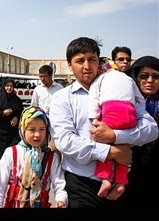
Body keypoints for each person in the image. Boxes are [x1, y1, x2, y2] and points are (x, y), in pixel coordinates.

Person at [49, 37, 158, 208]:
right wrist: (110, 152)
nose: (87, 65)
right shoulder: (61, 98)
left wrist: (116, 135)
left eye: (92, 59)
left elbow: (151, 129)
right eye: (80, 60)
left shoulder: (117, 91)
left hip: (121, 183)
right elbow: (65, 141)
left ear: (98, 62)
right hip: (82, 185)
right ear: (69, 65)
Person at [88, 57, 145, 198]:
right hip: (130, 114)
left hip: (112, 112)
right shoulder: (127, 78)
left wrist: (94, 119)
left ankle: (106, 179)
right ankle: (120, 182)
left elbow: (93, 99)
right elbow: (141, 99)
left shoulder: (100, 79)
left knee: (104, 144)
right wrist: (138, 116)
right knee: (123, 148)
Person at [0, 106, 68, 208]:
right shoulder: (11, 153)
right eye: (32, 129)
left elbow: (60, 185)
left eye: (42, 129)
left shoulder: (51, 157)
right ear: (22, 130)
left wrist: (61, 200)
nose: (37, 134)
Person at [124, 55, 159, 207]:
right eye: (144, 76)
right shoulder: (126, 102)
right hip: (129, 171)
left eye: (156, 76)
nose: (150, 80)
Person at [0, 79, 24, 162]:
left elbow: (21, 112)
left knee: (12, 154)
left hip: (12, 132)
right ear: (4, 87)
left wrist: (16, 118)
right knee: (0, 154)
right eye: (7, 86)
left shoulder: (16, 100)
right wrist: (3, 113)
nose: (9, 88)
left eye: (11, 86)